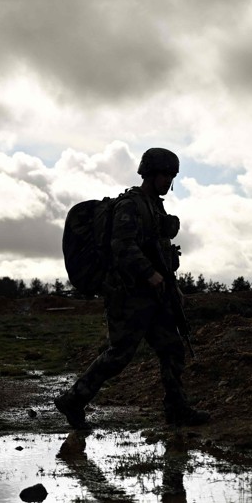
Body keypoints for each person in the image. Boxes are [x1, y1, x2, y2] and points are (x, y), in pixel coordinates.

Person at [54, 147, 209, 430]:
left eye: (172, 176)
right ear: (149, 173)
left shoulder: (154, 206)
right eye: (164, 174)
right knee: (119, 355)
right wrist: (149, 274)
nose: (168, 181)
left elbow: (159, 249)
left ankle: (176, 409)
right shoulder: (130, 204)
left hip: (154, 295)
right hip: (129, 295)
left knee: (172, 348)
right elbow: (122, 246)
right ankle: (73, 400)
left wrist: (171, 285)